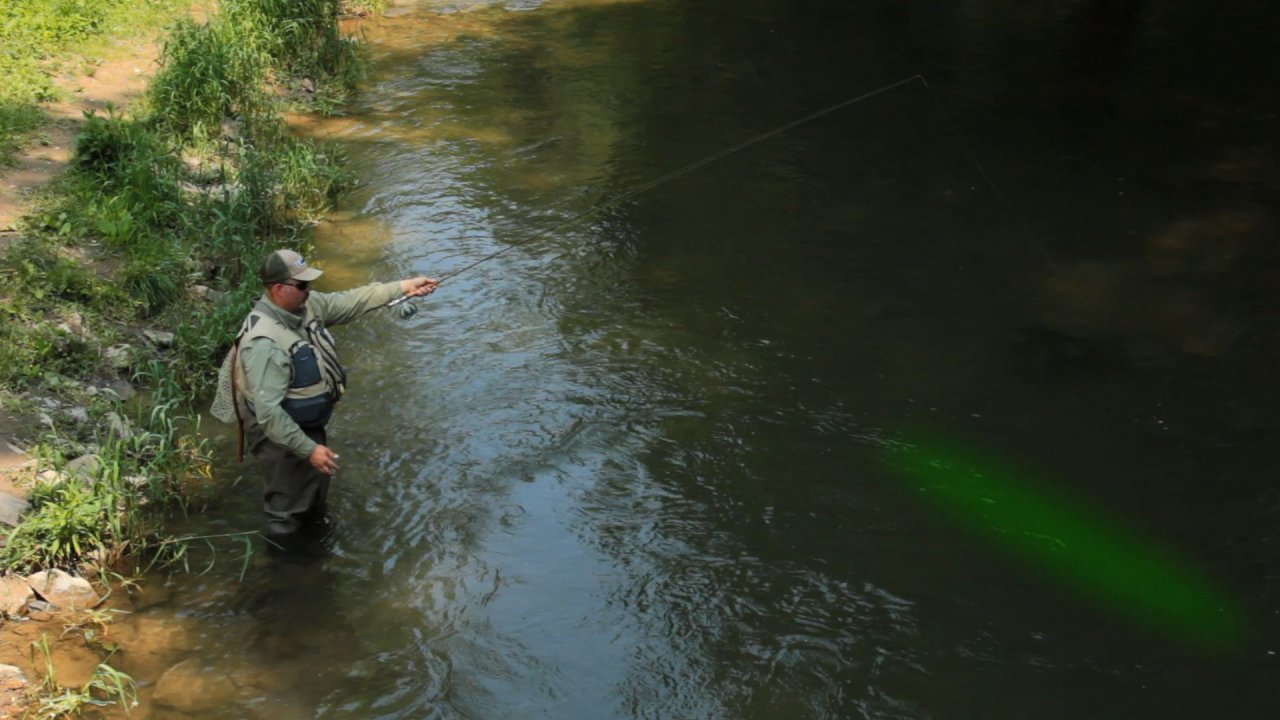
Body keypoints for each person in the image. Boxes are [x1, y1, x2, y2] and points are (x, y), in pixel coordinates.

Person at [226, 249, 438, 545]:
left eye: (308, 283)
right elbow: (269, 415)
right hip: (278, 432)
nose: (308, 290)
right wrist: (309, 450)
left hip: (302, 425)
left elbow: (350, 301)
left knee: (312, 494)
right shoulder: (264, 344)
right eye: (302, 285)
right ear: (277, 289)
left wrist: (403, 287)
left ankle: (314, 547)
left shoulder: (303, 308)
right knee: (286, 510)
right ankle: (283, 567)